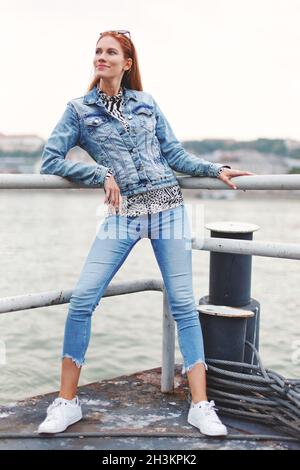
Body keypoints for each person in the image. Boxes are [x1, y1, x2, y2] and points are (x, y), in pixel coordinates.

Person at [37, 30, 254, 436]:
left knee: (184, 305)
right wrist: (99, 172)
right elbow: (51, 160)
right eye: (98, 51)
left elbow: (173, 153)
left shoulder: (147, 103)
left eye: (110, 52)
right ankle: (67, 403)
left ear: (127, 63)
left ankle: (201, 405)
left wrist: (213, 169)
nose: (101, 57)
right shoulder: (78, 110)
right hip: (123, 213)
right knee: (83, 298)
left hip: (169, 209)